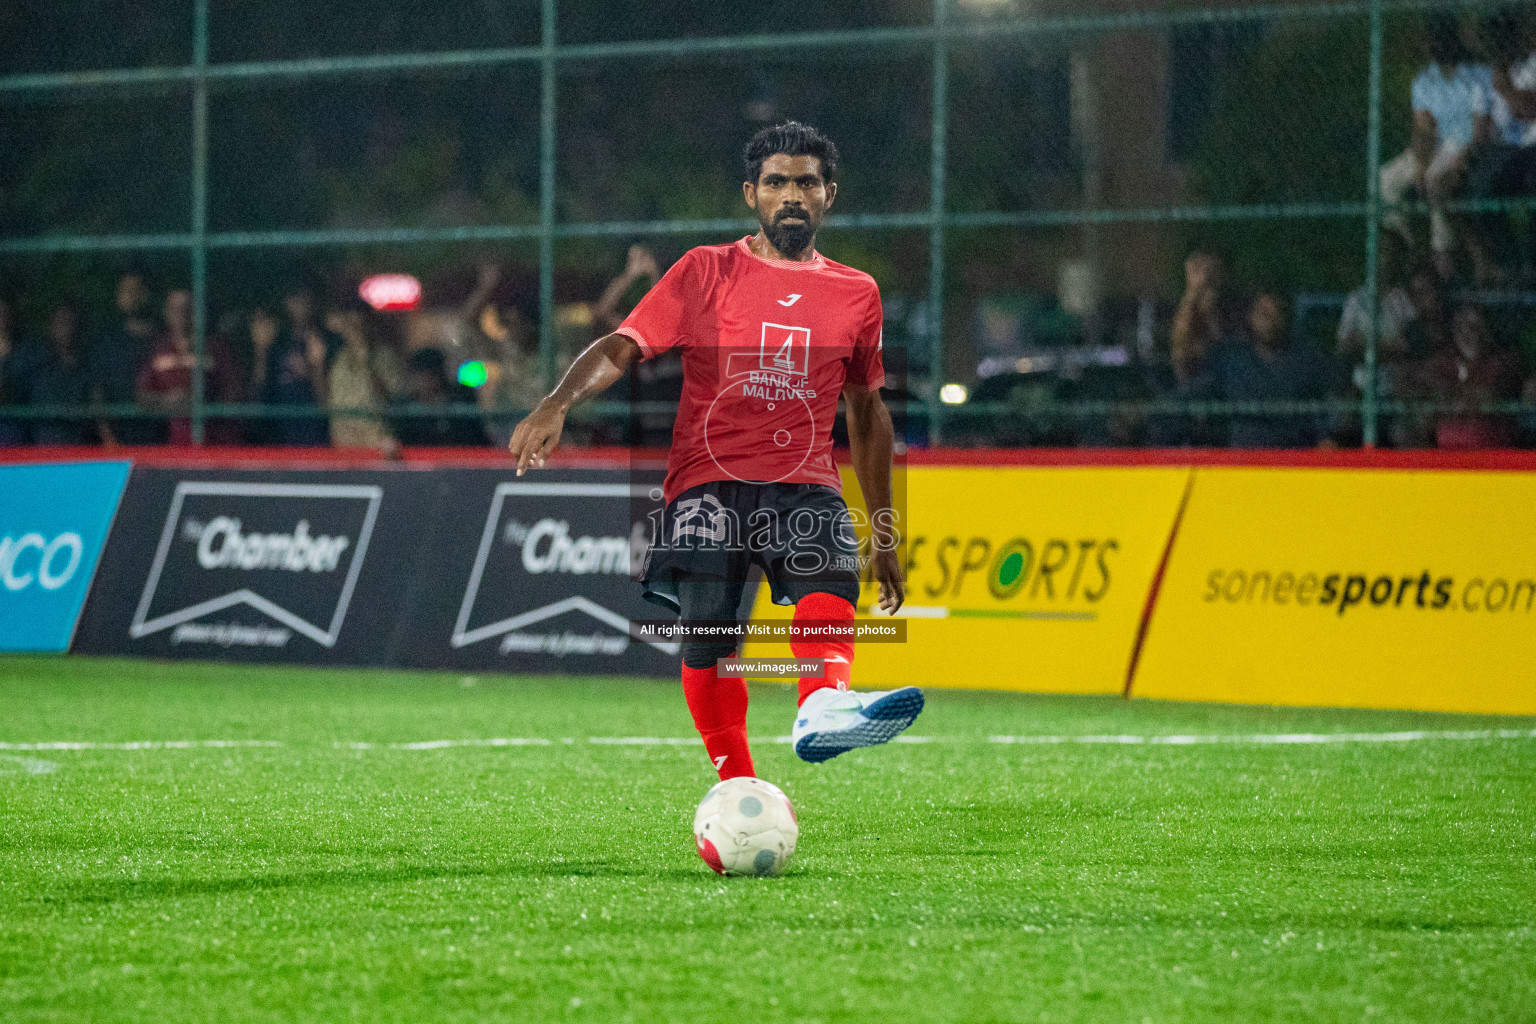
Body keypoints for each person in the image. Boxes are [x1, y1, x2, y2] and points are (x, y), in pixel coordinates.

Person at [508, 121, 921, 780]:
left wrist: (885, 531)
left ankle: (822, 706)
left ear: (828, 195)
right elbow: (623, 343)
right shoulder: (705, 270)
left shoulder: (857, 293)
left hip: (804, 477)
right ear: (751, 194)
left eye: (806, 182)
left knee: (830, 576)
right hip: (708, 482)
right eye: (777, 182)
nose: (792, 194)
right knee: (710, 641)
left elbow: (867, 413)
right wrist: (558, 401)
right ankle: (738, 783)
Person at [1380, 17, 1498, 283]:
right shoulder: (1425, 81)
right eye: (1430, 41)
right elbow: (1423, 128)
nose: (1434, 46)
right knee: (1386, 178)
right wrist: (1419, 164)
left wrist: (1455, 159)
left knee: (1436, 177)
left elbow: (1483, 126)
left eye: (1439, 39)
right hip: (1434, 147)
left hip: (1463, 146)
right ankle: (1405, 244)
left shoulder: (1476, 74)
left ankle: (1442, 256)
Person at [1206, 291, 1333, 448]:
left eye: (1275, 313)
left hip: (1293, 459)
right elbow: (1208, 402)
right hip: (1240, 461)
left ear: (1286, 318)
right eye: (1263, 312)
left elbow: (1321, 410)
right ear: (1251, 317)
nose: (1268, 320)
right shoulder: (1232, 360)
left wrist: (1326, 441)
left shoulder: (1306, 361)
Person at [135, 289, 242, 445]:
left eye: (187, 308)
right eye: (174, 308)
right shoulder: (158, 348)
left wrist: (204, 398)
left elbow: (234, 393)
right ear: (166, 312)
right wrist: (166, 400)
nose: (181, 313)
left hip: (214, 444)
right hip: (172, 446)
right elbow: (142, 393)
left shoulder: (216, 348)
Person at [1416, 302, 1522, 449]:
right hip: (1444, 444)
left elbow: (1490, 394)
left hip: (1490, 446)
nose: (1467, 332)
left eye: (1474, 327)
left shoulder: (1501, 361)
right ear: (1454, 330)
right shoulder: (1442, 360)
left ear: (1484, 330)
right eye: (1461, 326)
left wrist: (1456, 396)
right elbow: (1431, 389)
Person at [254, 284, 334, 446]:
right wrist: (261, 351)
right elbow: (258, 395)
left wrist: (315, 368)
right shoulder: (277, 342)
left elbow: (327, 406)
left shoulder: (328, 341)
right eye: (295, 298)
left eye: (305, 298)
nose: (300, 304)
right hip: (280, 434)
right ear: (287, 302)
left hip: (314, 435)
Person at [89, 272, 163, 446]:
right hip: (120, 440)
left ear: (148, 295)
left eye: (137, 291)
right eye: (126, 291)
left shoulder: (163, 340)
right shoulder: (108, 343)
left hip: (160, 439)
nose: (132, 297)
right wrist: (107, 437)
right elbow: (97, 393)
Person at [325, 302, 403, 450]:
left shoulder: (385, 356)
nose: (354, 331)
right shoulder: (337, 359)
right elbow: (328, 401)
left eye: (359, 325)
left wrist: (368, 364)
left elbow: (390, 400)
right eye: (350, 325)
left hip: (374, 444)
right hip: (343, 444)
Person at [391, 347, 487, 447]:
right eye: (419, 376)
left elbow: (475, 437)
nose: (424, 382)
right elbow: (402, 441)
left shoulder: (462, 398)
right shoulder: (407, 410)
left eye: (428, 375)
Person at [28, 304, 95, 445]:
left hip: (80, 445)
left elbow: (95, 406)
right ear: (51, 327)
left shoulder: (89, 367)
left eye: (70, 322)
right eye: (60, 322)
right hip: (44, 445)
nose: (66, 328)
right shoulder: (37, 365)